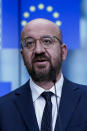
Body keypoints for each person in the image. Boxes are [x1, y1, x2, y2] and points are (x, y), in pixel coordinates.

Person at [0, 18, 87, 131]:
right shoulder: (3, 108)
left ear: (63, 52)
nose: (38, 50)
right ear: (22, 55)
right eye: (30, 43)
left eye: (47, 41)